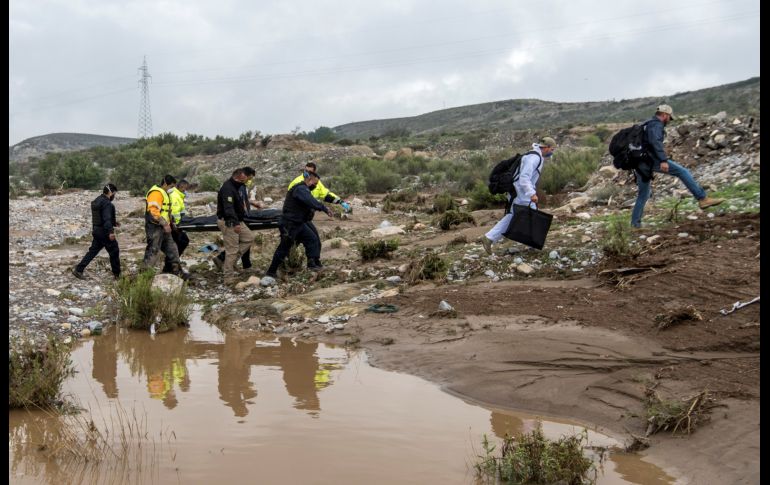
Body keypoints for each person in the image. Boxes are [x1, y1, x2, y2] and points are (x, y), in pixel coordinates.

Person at [631, 104, 724, 228]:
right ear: (665, 115)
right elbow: (655, 143)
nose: (669, 120)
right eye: (669, 117)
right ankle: (702, 198)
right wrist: (663, 160)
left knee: (643, 194)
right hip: (651, 160)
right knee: (682, 172)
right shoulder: (656, 125)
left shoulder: (646, 124)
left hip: (638, 162)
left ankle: (635, 224)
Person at [479, 137, 556, 254]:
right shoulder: (534, 158)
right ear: (546, 148)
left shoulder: (534, 156)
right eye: (552, 149)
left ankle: (490, 238)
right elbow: (524, 178)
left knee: (520, 214)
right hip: (521, 192)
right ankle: (490, 238)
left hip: (519, 191)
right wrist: (532, 193)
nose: (552, 152)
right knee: (523, 215)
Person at [265, 171, 333, 279]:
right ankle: (271, 271)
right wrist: (324, 208)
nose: (315, 186)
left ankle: (312, 264)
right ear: (309, 180)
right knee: (284, 248)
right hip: (289, 224)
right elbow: (310, 201)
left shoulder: (305, 190)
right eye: (315, 183)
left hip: (299, 223)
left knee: (312, 239)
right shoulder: (300, 189)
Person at [287, 161, 351, 267]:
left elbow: (325, 195)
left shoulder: (316, 182)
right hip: (296, 217)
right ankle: (306, 262)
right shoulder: (297, 182)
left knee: (310, 239)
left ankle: (314, 261)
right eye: (305, 171)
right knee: (306, 239)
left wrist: (340, 202)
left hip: (305, 217)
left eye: (309, 172)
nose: (306, 174)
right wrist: (323, 208)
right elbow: (303, 200)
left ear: (314, 173)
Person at [214, 167, 262, 272]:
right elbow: (228, 208)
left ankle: (229, 263)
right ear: (241, 176)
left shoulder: (237, 186)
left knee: (249, 238)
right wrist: (235, 223)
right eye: (248, 178)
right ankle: (228, 277)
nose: (248, 181)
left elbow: (239, 202)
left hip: (238, 219)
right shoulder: (228, 188)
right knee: (232, 250)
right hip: (230, 221)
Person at [72, 183, 121, 279]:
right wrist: (111, 232)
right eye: (114, 193)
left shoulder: (97, 200)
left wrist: (114, 223)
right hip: (104, 232)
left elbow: (100, 216)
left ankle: (78, 269)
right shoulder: (107, 203)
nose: (114, 196)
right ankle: (117, 275)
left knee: (93, 251)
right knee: (114, 250)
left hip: (96, 230)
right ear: (110, 193)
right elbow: (106, 218)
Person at [143, 175, 187, 278]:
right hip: (155, 228)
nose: (172, 189)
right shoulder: (156, 193)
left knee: (173, 249)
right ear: (165, 184)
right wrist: (164, 224)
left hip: (164, 227)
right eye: (171, 186)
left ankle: (176, 272)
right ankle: (144, 276)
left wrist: (172, 223)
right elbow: (153, 212)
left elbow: (167, 211)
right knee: (153, 251)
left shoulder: (165, 193)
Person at [163, 179, 190, 273]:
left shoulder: (178, 195)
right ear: (181, 187)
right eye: (185, 189)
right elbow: (174, 212)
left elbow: (180, 211)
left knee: (178, 244)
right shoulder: (175, 195)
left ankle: (170, 266)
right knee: (181, 243)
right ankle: (171, 267)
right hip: (175, 226)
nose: (185, 191)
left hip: (178, 225)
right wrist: (176, 225)